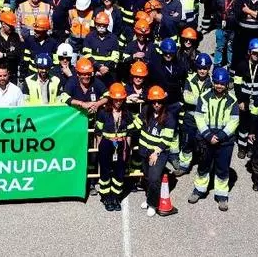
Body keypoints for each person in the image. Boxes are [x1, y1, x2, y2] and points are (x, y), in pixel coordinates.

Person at [189, 67, 238, 212]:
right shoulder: (204, 97)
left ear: (227, 84)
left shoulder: (232, 100)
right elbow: (198, 117)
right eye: (217, 83)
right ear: (213, 82)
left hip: (225, 140)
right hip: (206, 138)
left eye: (222, 84)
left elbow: (234, 121)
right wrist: (208, 135)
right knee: (203, 165)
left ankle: (221, 195)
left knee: (222, 168)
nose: (219, 86)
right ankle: (199, 189)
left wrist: (221, 136)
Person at [138, 85, 180, 216]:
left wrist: (156, 153)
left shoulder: (169, 117)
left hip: (158, 153)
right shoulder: (146, 110)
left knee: (154, 178)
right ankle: (148, 198)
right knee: (146, 176)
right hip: (144, 150)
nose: (156, 104)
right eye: (154, 101)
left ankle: (153, 204)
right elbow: (136, 124)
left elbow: (167, 139)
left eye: (159, 102)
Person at [95, 82, 135, 211]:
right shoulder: (103, 113)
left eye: (121, 99)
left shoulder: (127, 114)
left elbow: (129, 133)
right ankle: (106, 197)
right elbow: (98, 132)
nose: (118, 102)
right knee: (105, 170)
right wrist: (101, 147)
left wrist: (127, 149)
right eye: (116, 99)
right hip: (106, 143)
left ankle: (116, 197)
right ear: (111, 99)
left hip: (122, 145)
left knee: (119, 171)